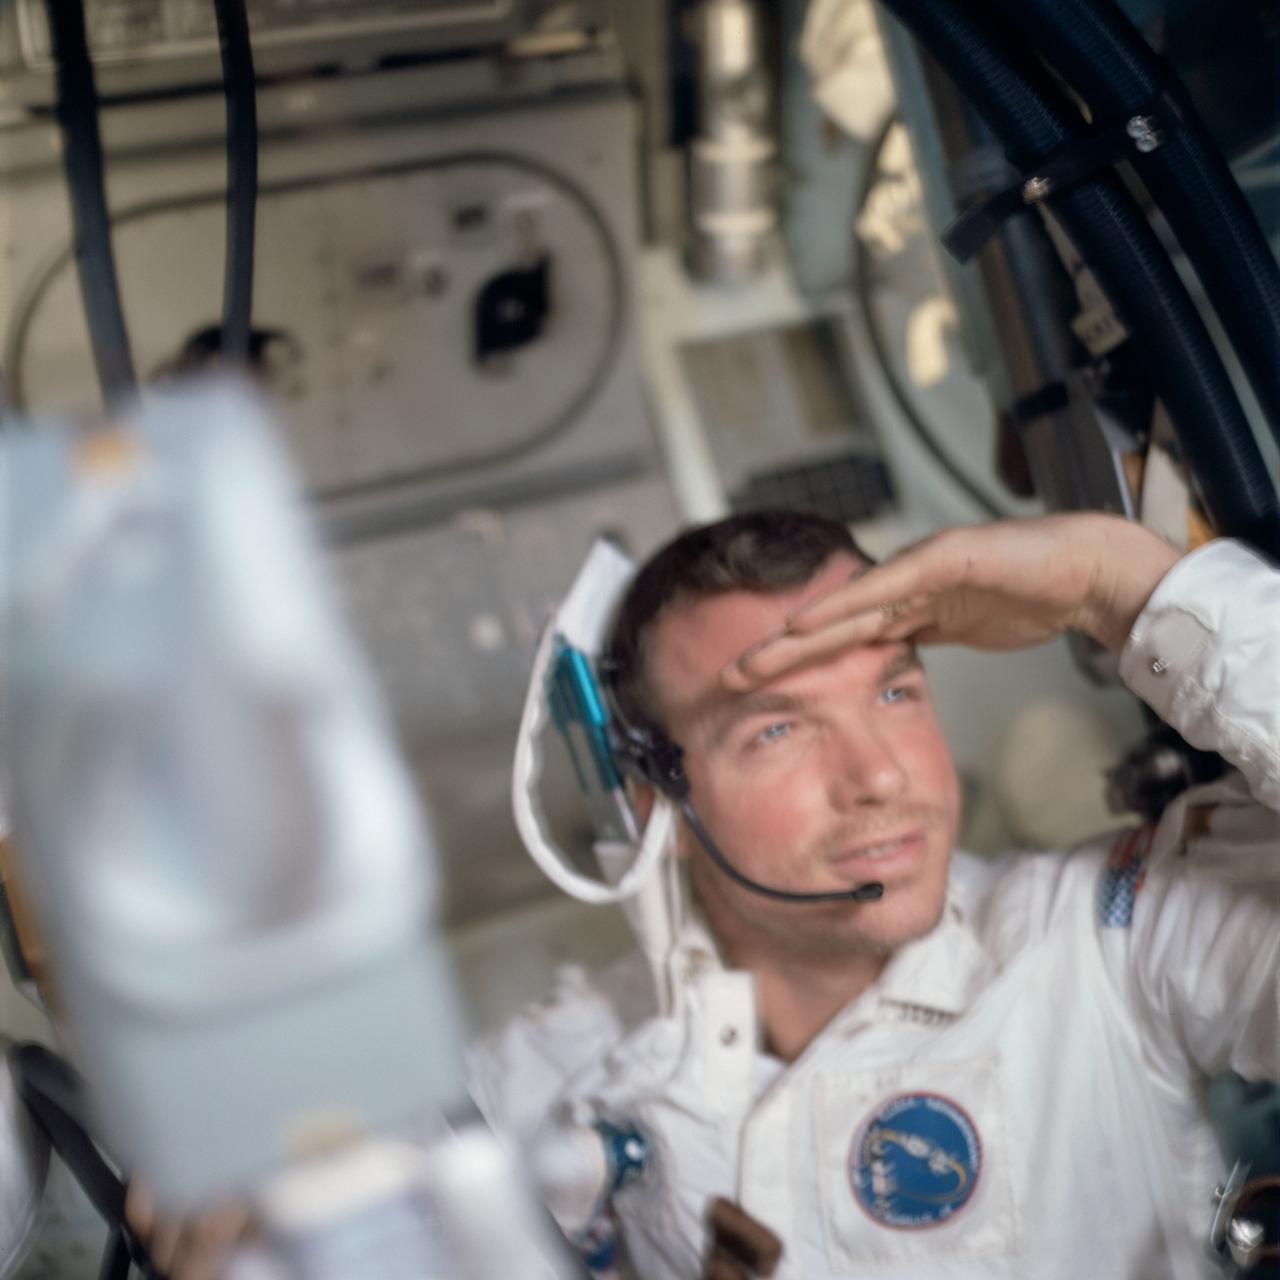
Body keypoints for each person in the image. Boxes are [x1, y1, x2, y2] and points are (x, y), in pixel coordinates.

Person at [469, 509, 1279, 1278]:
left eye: (894, 693)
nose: (880, 775)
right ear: (657, 808)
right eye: (777, 729)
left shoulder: (1109, 940)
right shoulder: (542, 1086)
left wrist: (1117, 586)